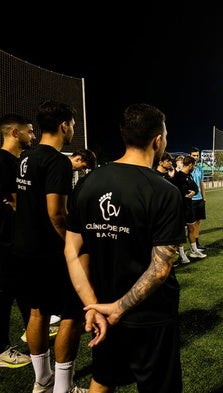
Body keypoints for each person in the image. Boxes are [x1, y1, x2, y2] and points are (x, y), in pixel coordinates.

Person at [65, 103, 185, 393]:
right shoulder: (164, 191)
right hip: (150, 317)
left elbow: (72, 250)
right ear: (158, 140)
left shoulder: (89, 182)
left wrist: (92, 306)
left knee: (103, 379)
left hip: (102, 310)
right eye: (165, 135)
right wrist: (116, 309)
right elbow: (160, 268)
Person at [13, 101, 87, 392]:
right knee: (72, 314)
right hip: (49, 253)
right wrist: (72, 245)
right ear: (63, 125)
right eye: (72, 124)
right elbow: (56, 212)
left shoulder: (26, 157)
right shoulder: (57, 161)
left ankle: (42, 381)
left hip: (24, 248)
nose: (73, 130)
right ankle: (62, 388)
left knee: (37, 312)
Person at [0, 114, 34, 369]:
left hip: (14, 238)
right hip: (6, 240)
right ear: (14, 132)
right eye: (29, 131)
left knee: (23, 289)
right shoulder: (4, 161)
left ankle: (30, 330)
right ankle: (1, 349)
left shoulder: (18, 161)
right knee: (4, 294)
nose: (32, 136)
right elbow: (15, 202)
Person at [177, 155, 206, 261]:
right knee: (182, 231)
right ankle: (181, 254)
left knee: (192, 228)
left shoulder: (189, 176)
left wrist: (193, 192)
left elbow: (195, 188)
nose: (194, 167)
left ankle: (194, 251)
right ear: (190, 165)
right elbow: (179, 192)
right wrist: (185, 193)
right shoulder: (178, 176)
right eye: (193, 165)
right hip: (181, 208)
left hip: (189, 207)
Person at [189, 147, 207, 251]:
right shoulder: (187, 168)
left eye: (197, 155)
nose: (196, 157)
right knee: (188, 224)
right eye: (194, 155)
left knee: (198, 222)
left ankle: (196, 242)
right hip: (190, 199)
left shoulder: (200, 168)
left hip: (199, 198)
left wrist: (204, 197)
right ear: (189, 155)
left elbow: (201, 183)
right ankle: (181, 246)